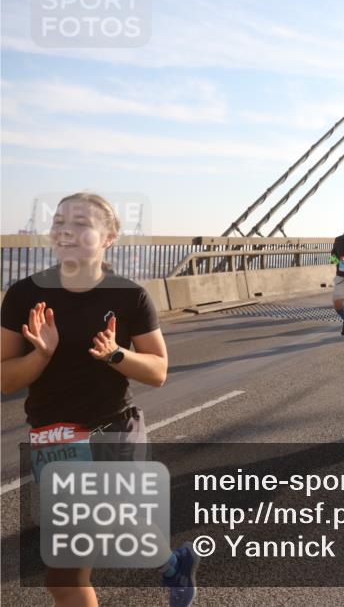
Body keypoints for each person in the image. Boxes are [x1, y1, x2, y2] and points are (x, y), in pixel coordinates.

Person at [0, 192, 198, 607]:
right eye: (59, 222)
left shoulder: (128, 296)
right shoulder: (23, 295)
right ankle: (172, 564)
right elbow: (5, 379)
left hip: (113, 430)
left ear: (109, 238)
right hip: (53, 437)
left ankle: (169, 563)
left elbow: (158, 371)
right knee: (115, 526)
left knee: (65, 574)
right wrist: (41, 355)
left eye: (81, 224)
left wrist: (116, 355)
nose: (65, 231)